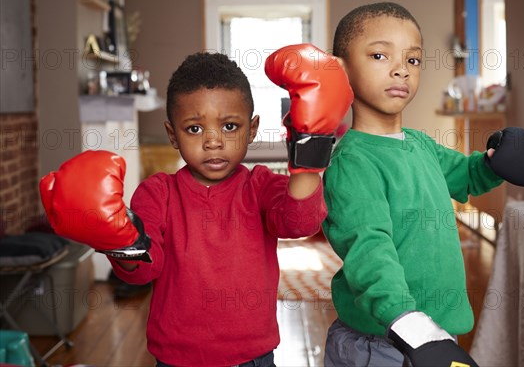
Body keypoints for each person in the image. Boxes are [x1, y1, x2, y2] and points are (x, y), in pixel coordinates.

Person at [39, 49, 353, 366]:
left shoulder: (260, 185)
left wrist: (310, 147)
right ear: (172, 135)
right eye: (194, 129)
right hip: (177, 357)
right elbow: (143, 272)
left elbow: (299, 223)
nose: (213, 141)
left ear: (252, 128)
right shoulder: (157, 193)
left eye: (230, 126)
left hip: (252, 356)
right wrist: (120, 242)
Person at [321, 2, 505, 367]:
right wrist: (408, 323)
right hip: (382, 341)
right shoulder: (353, 162)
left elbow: (466, 175)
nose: (401, 71)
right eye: (379, 55)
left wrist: (497, 161)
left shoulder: (420, 144)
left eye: (413, 60)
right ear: (339, 70)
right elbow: (368, 248)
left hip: (435, 334)